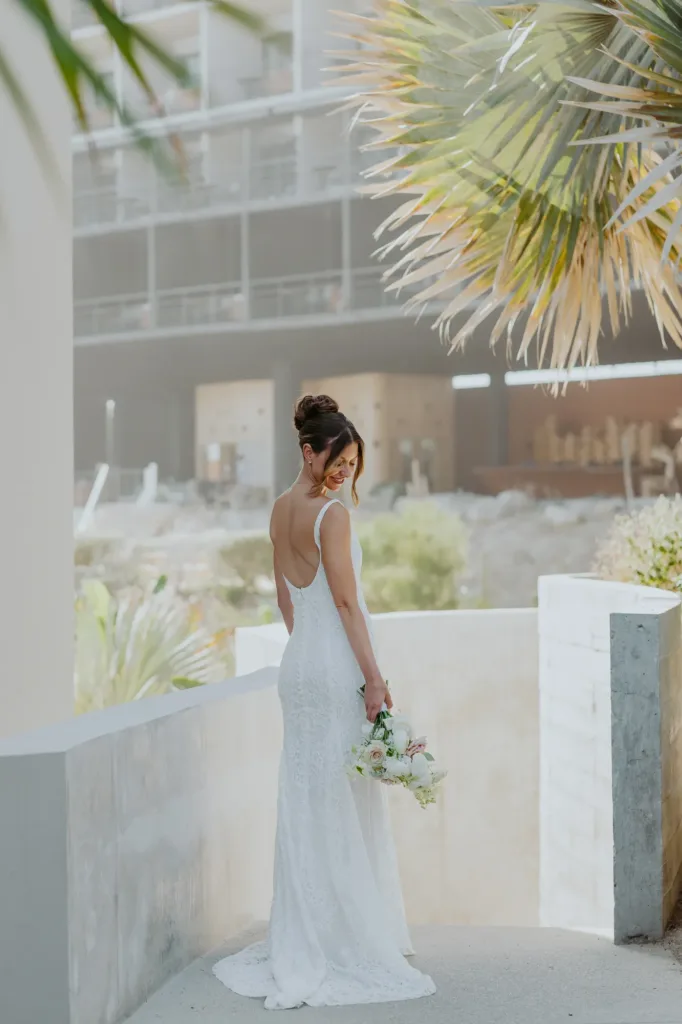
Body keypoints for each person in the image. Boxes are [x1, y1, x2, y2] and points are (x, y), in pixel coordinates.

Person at [212, 394, 435, 1009]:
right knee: (341, 793)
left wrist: (309, 656)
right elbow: (346, 605)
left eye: (353, 463)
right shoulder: (330, 516)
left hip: (298, 667)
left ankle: (305, 931)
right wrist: (375, 679)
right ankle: (345, 938)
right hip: (334, 666)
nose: (345, 473)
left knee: (308, 795)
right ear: (309, 451)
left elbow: (287, 604)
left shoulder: (281, 510)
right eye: (337, 460)